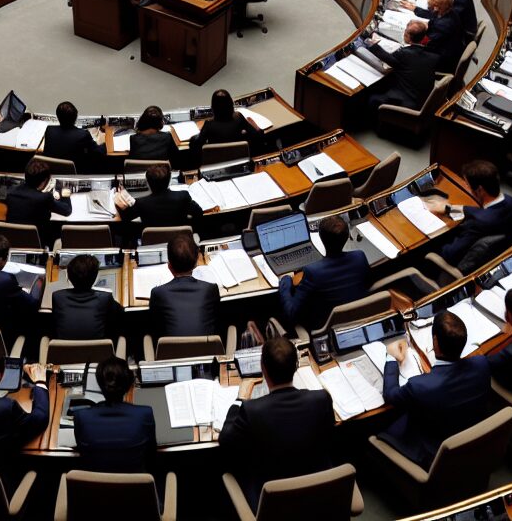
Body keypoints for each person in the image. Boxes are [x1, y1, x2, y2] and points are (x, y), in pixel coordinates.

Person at [219, 336, 337, 502]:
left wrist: (240, 399)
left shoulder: (251, 410)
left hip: (272, 501)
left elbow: (225, 442)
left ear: (263, 369)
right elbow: (328, 437)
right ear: (296, 366)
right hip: (319, 494)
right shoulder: (321, 399)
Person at [380, 310, 491, 467]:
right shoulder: (481, 364)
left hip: (433, 451)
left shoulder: (420, 386)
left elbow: (391, 395)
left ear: (435, 342)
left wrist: (391, 356)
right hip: (471, 436)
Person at [278, 215, 370, 332]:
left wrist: (285, 280)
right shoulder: (359, 257)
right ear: (347, 236)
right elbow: (367, 284)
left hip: (326, 328)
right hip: (360, 320)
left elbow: (291, 313)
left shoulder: (313, 271)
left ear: (321, 238)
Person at [430, 160, 512, 269]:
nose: (467, 188)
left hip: (462, 265)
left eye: (467, 185)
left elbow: (450, 254)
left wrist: (432, 244)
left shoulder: (479, 223)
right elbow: (482, 213)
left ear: (480, 190)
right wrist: (449, 208)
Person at [74, 356, 156, 474]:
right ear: (128, 386)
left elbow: (82, 450)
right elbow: (151, 454)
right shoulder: (144, 414)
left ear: (100, 385)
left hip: (94, 489)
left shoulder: (81, 417)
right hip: (137, 489)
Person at [148, 233, 220, 339]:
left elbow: (155, 327)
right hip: (207, 354)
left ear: (169, 266)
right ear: (196, 263)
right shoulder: (210, 289)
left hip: (168, 353)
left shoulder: (157, 293)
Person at [366, 20, 439, 113]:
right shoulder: (432, 56)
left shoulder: (405, 54)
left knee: (372, 97)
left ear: (407, 36)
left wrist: (372, 44)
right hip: (422, 100)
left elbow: (387, 58)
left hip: (407, 102)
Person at [51, 254, 124, 341]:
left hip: (65, 354)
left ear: (69, 277)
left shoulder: (58, 297)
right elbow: (121, 313)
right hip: (99, 354)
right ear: (94, 278)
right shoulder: (105, 298)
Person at [118, 163, 203, 234]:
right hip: (179, 240)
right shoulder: (183, 196)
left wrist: (120, 196)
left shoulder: (142, 203)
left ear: (148, 182)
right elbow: (199, 212)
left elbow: (125, 217)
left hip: (151, 243)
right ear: (169, 180)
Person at [5, 158, 72, 237]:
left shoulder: (10, 191)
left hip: (13, 237)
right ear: (44, 181)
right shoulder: (44, 198)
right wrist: (64, 189)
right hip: (39, 238)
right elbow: (67, 210)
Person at [42, 101, 106, 171]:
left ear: (58, 116)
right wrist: (102, 141)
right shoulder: (83, 134)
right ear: (75, 118)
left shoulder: (49, 130)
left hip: (52, 172)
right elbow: (100, 153)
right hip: (76, 173)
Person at [189, 89, 253, 157]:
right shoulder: (239, 118)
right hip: (239, 159)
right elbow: (254, 133)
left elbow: (195, 144)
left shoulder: (209, 125)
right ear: (231, 105)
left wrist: (194, 137)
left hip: (216, 161)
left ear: (213, 108)